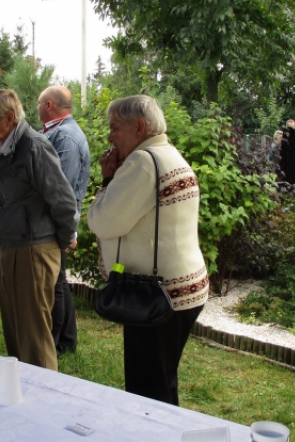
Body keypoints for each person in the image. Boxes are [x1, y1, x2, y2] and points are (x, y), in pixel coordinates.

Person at [87, 95, 209, 406]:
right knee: (162, 382)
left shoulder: (143, 162)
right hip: (179, 291)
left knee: (148, 394)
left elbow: (102, 221)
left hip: (155, 296)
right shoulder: (167, 154)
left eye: (115, 128)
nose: (110, 136)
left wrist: (107, 181)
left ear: (139, 127)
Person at [0, 89, 78, 371]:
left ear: (8, 118)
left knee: (34, 338)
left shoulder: (34, 146)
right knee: (16, 332)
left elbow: (64, 201)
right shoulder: (7, 147)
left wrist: (62, 240)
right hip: (13, 246)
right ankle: (22, 397)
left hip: (35, 249)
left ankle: (44, 404)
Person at [37, 85, 90, 355]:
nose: (35, 109)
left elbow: (64, 190)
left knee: (54, 282)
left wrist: (66, 231)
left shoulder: (65, 137)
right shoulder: (55, 132)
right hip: (56, 220)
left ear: (48, 106)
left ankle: (54, 345)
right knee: (59, 279)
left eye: (38, 104)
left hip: (57, 222)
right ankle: (67, 340)